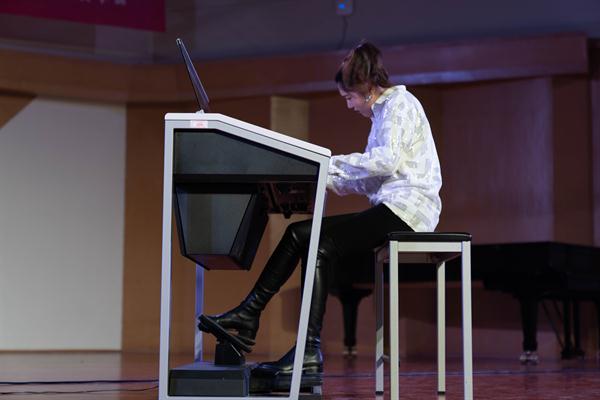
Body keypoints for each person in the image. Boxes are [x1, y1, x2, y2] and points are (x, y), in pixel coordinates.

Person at [199, 40, 442, 385]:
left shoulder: (399, 104)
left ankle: (296, 342)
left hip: (409, 210)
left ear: (366, 89)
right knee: (302, 235)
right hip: (393, 206)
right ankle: (256, 318)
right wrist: (322, 176)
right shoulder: (383, 113)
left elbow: (385, 162)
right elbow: (371, 178)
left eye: (349, 97)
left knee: (313, 241)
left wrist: (326, 164)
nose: (349, 105)